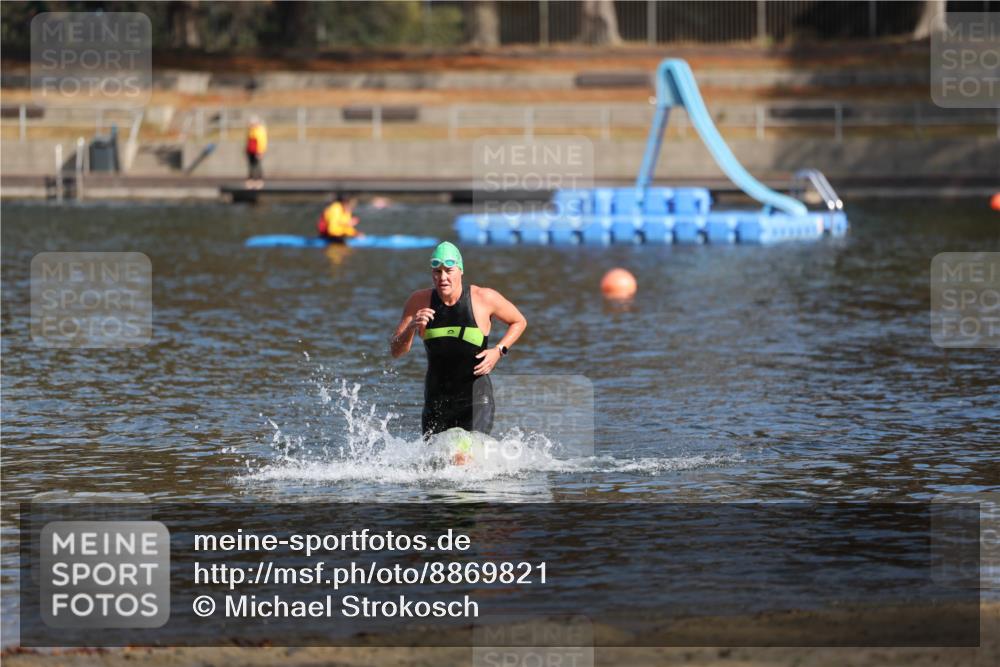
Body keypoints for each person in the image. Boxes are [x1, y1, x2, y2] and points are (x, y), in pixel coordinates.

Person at [390, 242, 527, 437]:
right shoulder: (418, 301)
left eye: (449, 271)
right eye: (437, 272)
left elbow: (519, 321)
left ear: (460, 271)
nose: (442, 278)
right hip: (436, 402)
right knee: (437, 457)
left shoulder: (484, 298)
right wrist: (412, 327)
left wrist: (499, 350)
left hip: (476, 400)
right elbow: (396, 351)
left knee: (463, 453)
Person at [245, 116, 267, 189]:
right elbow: (248, 140)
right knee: (251, 165)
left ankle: (259, 180)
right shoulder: (251, 130)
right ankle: (251, 180)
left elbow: (262, 142)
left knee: (257, 165)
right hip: (251, 150)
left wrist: (261, 151)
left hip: (257, 150)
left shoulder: (260, 130)